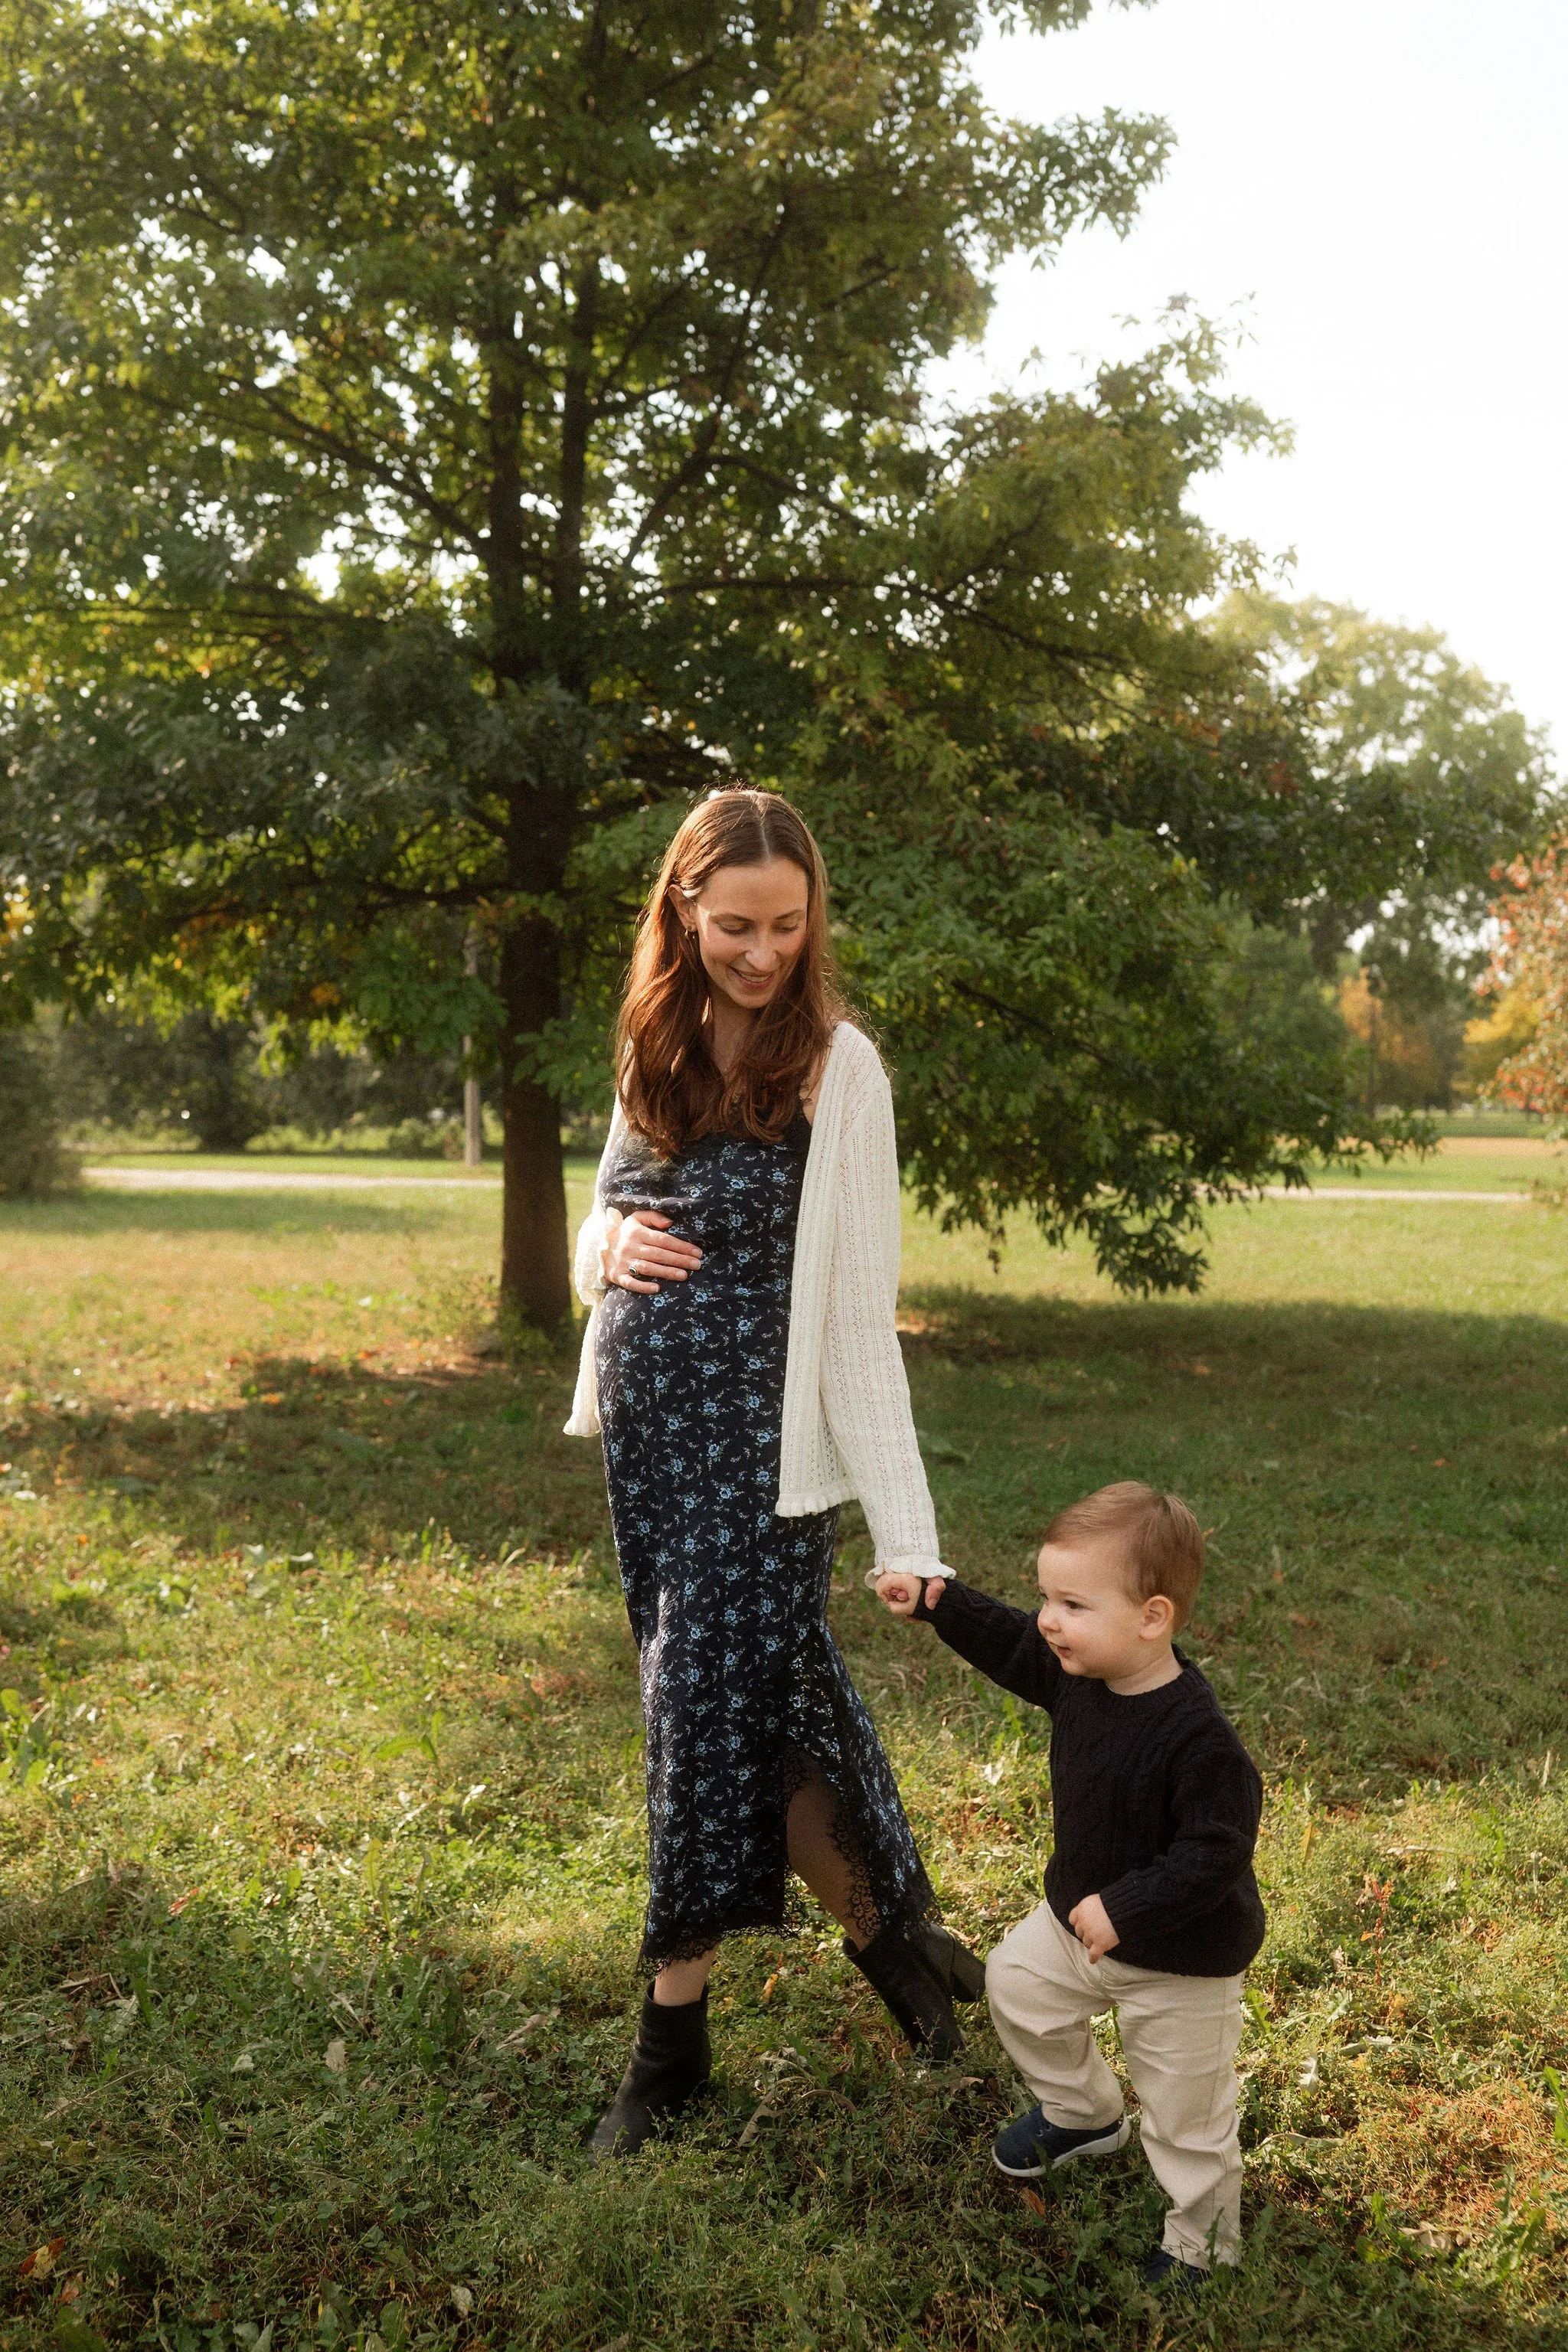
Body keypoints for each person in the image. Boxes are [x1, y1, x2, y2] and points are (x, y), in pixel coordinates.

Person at [566, 787, 983, 2160]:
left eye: (786, 926)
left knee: (698, 1710)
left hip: (760, 1458)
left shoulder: (837, 1066)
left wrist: (905, 1527)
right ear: (682, 912)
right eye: (734, 924)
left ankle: (668, 2041)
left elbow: (861, 1316)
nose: (761, 952)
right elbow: (606, 1213)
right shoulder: (657, 1033)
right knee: (765, 1707)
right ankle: (902, 1948)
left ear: (814, 921)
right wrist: (601, 1256)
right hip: (653, 1440)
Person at [877, 1482, 1266, 2287]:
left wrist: (1127, 1907)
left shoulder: (1198, 1739)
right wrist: (935, 1602)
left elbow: (1215, 1850)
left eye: (1072, 1604)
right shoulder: (1076, 1676)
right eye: (1047, 1597)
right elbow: (1011, 1641)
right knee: (1015, 1988)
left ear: (1150, 1618)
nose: (1048, 1619)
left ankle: (1203, 2240)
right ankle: (1082, 2113)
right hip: (1074, 1925)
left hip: (1179, 1960)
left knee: (1184, 2116)